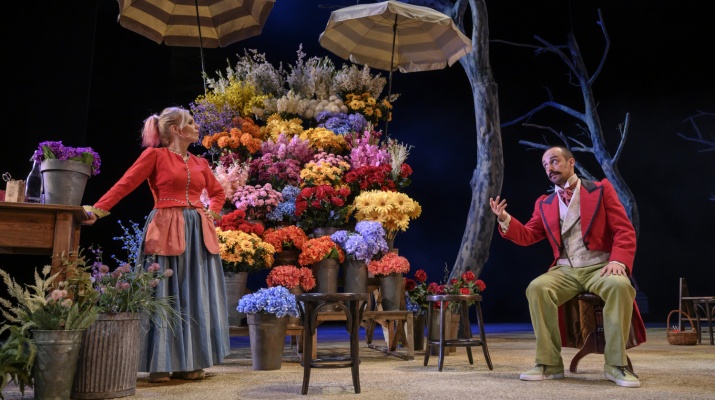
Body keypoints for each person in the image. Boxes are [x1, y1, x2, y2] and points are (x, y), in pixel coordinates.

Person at [84, 106, 229, 383]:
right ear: (175, 130)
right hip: (166, 228)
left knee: (194, 293)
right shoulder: (155, 156)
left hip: (198, 232)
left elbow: (217, 192)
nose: (197, 126)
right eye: (191, 122)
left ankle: (192, 362)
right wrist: (98, 210)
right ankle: (160, 363)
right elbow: (125, 184)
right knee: (164, 293)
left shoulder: (200, 163)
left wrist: (213, 211)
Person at [489, 145, 646, 388]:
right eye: (545, 165)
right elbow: (529, 234)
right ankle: (550, 364)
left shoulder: (600, 190)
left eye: (554, 161)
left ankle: (615, 364)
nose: (549, 168)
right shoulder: (546, 202)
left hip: (599, 265)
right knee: (537, 287)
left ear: (570, 162)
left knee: (620, 286)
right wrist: (505, 219)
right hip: (565, 269)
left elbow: (624, 230)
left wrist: (618, 261)